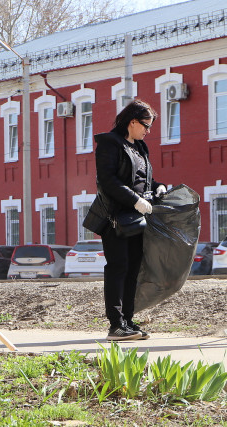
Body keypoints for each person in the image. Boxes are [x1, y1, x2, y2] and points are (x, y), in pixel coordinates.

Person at [83, 99, 165, 342]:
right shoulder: (110, 144)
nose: (148, 131)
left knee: (132, 271)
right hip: (116, 218)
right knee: (118, 269)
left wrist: (158, 187)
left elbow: (142, 179)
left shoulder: (139, 147)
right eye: (145, 126)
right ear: (132, 122)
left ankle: (128, 321)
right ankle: (115, 325)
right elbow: (108, 180)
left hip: (138, 218)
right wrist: (134, 200)